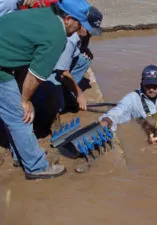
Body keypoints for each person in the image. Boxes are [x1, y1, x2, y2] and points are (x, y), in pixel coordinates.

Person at [0, 0, 102, 180]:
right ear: (69, 19)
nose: (79, 31)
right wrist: (25, 100)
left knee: (14, 112)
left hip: (5, 56)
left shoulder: (47, 14)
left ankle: (21, 155)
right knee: (20, 116)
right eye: (79, 25)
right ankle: (36, 167)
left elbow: (26, 58)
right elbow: (36, 76)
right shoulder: (56, 35)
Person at [99, 65, 157, 131]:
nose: (151, 89)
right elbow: (118, 111)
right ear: (142, 84)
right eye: (148, 85)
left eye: (154, 86)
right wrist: (107, 120)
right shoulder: (132, 99)